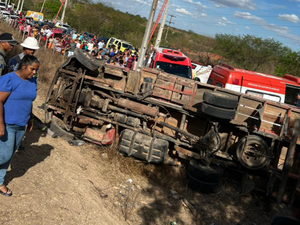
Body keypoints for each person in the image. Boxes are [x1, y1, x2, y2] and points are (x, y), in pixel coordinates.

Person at [0, 55, 39, 196]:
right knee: (3, 155)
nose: (34, 73)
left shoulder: (32, 81)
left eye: (36, 70)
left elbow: (29, 101)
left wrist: (30, 119)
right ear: (23, 66)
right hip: (7, 123)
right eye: (32, 69)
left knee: (9, 154)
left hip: (21, 123)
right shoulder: (9, 79)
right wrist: (0, 124)